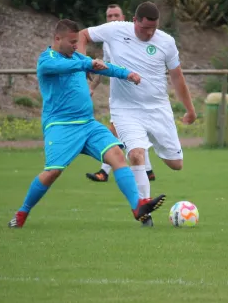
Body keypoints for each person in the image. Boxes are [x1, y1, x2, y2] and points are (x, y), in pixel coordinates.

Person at [8, 19, 166, 228]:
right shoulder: (47, 61)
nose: (76, 45)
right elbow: (69, 66)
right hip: (61, 127)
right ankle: (21, 213)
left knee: (117, 156)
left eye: (77, 41)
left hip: (88, 125)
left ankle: (137, 207)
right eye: (72, 41)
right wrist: (87, 63)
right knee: (53, 172)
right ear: (57, 39)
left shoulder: (76, 58)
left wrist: (127, 74)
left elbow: (103, 67)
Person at [77, 1, 196, 227]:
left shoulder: (166, 42)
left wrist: (190, 109)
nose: (150, 33)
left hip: (158, 109)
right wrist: (84, 64)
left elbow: (177, 77)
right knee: (136, 154)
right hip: (125, 110)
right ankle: (144, 212)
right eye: (145, 29)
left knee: (176, 164)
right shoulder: (115, 30)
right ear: (134, 21)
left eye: (154, 29)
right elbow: (83, 35)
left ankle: (153, 146)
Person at [86, 4, 157, 183]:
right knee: (131, 133)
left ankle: (104, 171)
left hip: (136, 95)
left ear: (124, 16)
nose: (112, 19)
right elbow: (105, 67)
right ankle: (147, 170)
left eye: (116, 15)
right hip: (120, 95)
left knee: (115, 132)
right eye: (109, 16)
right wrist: (92, 87)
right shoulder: (108, 42)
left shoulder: (136, 35)